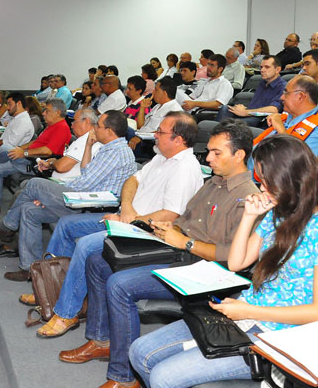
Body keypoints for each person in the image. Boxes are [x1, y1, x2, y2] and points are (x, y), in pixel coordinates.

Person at [65, 120, 260, 388]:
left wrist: (184, 241)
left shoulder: (248, 198)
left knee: (120, 285)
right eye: (210, 151)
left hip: (205, 270)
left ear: (239, 155)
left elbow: (231, 258)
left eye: (217, 153)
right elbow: (187, 218)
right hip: (178, 249)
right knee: (98, 261)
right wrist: (171, 227)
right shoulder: (214, 182)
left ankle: (123, 376)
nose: (209, 158)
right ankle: (101, 340)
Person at [130, 135, 318, 388]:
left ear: (291, 179)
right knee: (140, 351)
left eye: (267, 182)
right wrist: (250, 217)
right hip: (246, 314)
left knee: (165, 376)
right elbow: (236, 263)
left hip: (279, 334)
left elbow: (315, 312)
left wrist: (249, 311)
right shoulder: (280, 212)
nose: (261, 189)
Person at [29, 112, 202, 338]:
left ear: (178, 139)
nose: (155, 135)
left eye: (161, 132)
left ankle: (66, 312)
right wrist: (127, 208)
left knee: (86, 246)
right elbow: (132, 180)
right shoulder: (161, 157)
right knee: (67, 224)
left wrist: (131, 220)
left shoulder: (185, 168)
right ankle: (52, 290)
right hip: (127, 220)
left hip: (148, 233)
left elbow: (170, 214)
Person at [0, 110, 136, 282]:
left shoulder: (116, 152)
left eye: (98, 126)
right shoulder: (109, 149)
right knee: (28, 209)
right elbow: (86, 172)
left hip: (90, 204)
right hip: (83, 197)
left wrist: (48, 194)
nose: (95, 128)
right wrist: (89, 146)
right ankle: (29, 269)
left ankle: (5, 227)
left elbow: (85, 183)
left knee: (34, 184)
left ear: (109, 131)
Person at [0, 98, 71, 215]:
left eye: (47, 111)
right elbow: (36, 142)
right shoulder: (51, 126)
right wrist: (21, 148)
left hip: (38, 164)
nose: (43, 113)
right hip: (27, 159)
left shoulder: (61, 127)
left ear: (57, 112)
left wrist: (24, 153)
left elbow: (48, 151)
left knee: (6, 147)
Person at [251, 74, 318, 157]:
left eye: (286, 92)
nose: (281, 97)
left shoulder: (316, 128)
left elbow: (304, 164)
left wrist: (280, 128)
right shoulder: (288, 115)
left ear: (300, 97)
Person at [217, 55, 286, 126]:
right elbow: (256, 106)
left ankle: (225, 134)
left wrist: (246, 112)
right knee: (225, 108)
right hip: (250, 113)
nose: (262, 70)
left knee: (236, 123)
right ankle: (218, 134)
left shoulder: (282, 87)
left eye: (267, 67)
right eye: (261, 67)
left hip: (262, 118)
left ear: (277, 70)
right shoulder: (263, 83)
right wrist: (243, 109)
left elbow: (274, 109)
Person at [128, 77, 182, 157]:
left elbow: (165, 133)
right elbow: (140, 126)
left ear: (164, 93)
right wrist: (142, 108)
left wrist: (140, 138)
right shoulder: (157, 106)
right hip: (139, 137)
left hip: (149, 144)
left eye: (156, 90)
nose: (153, 92)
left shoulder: (175, 110)